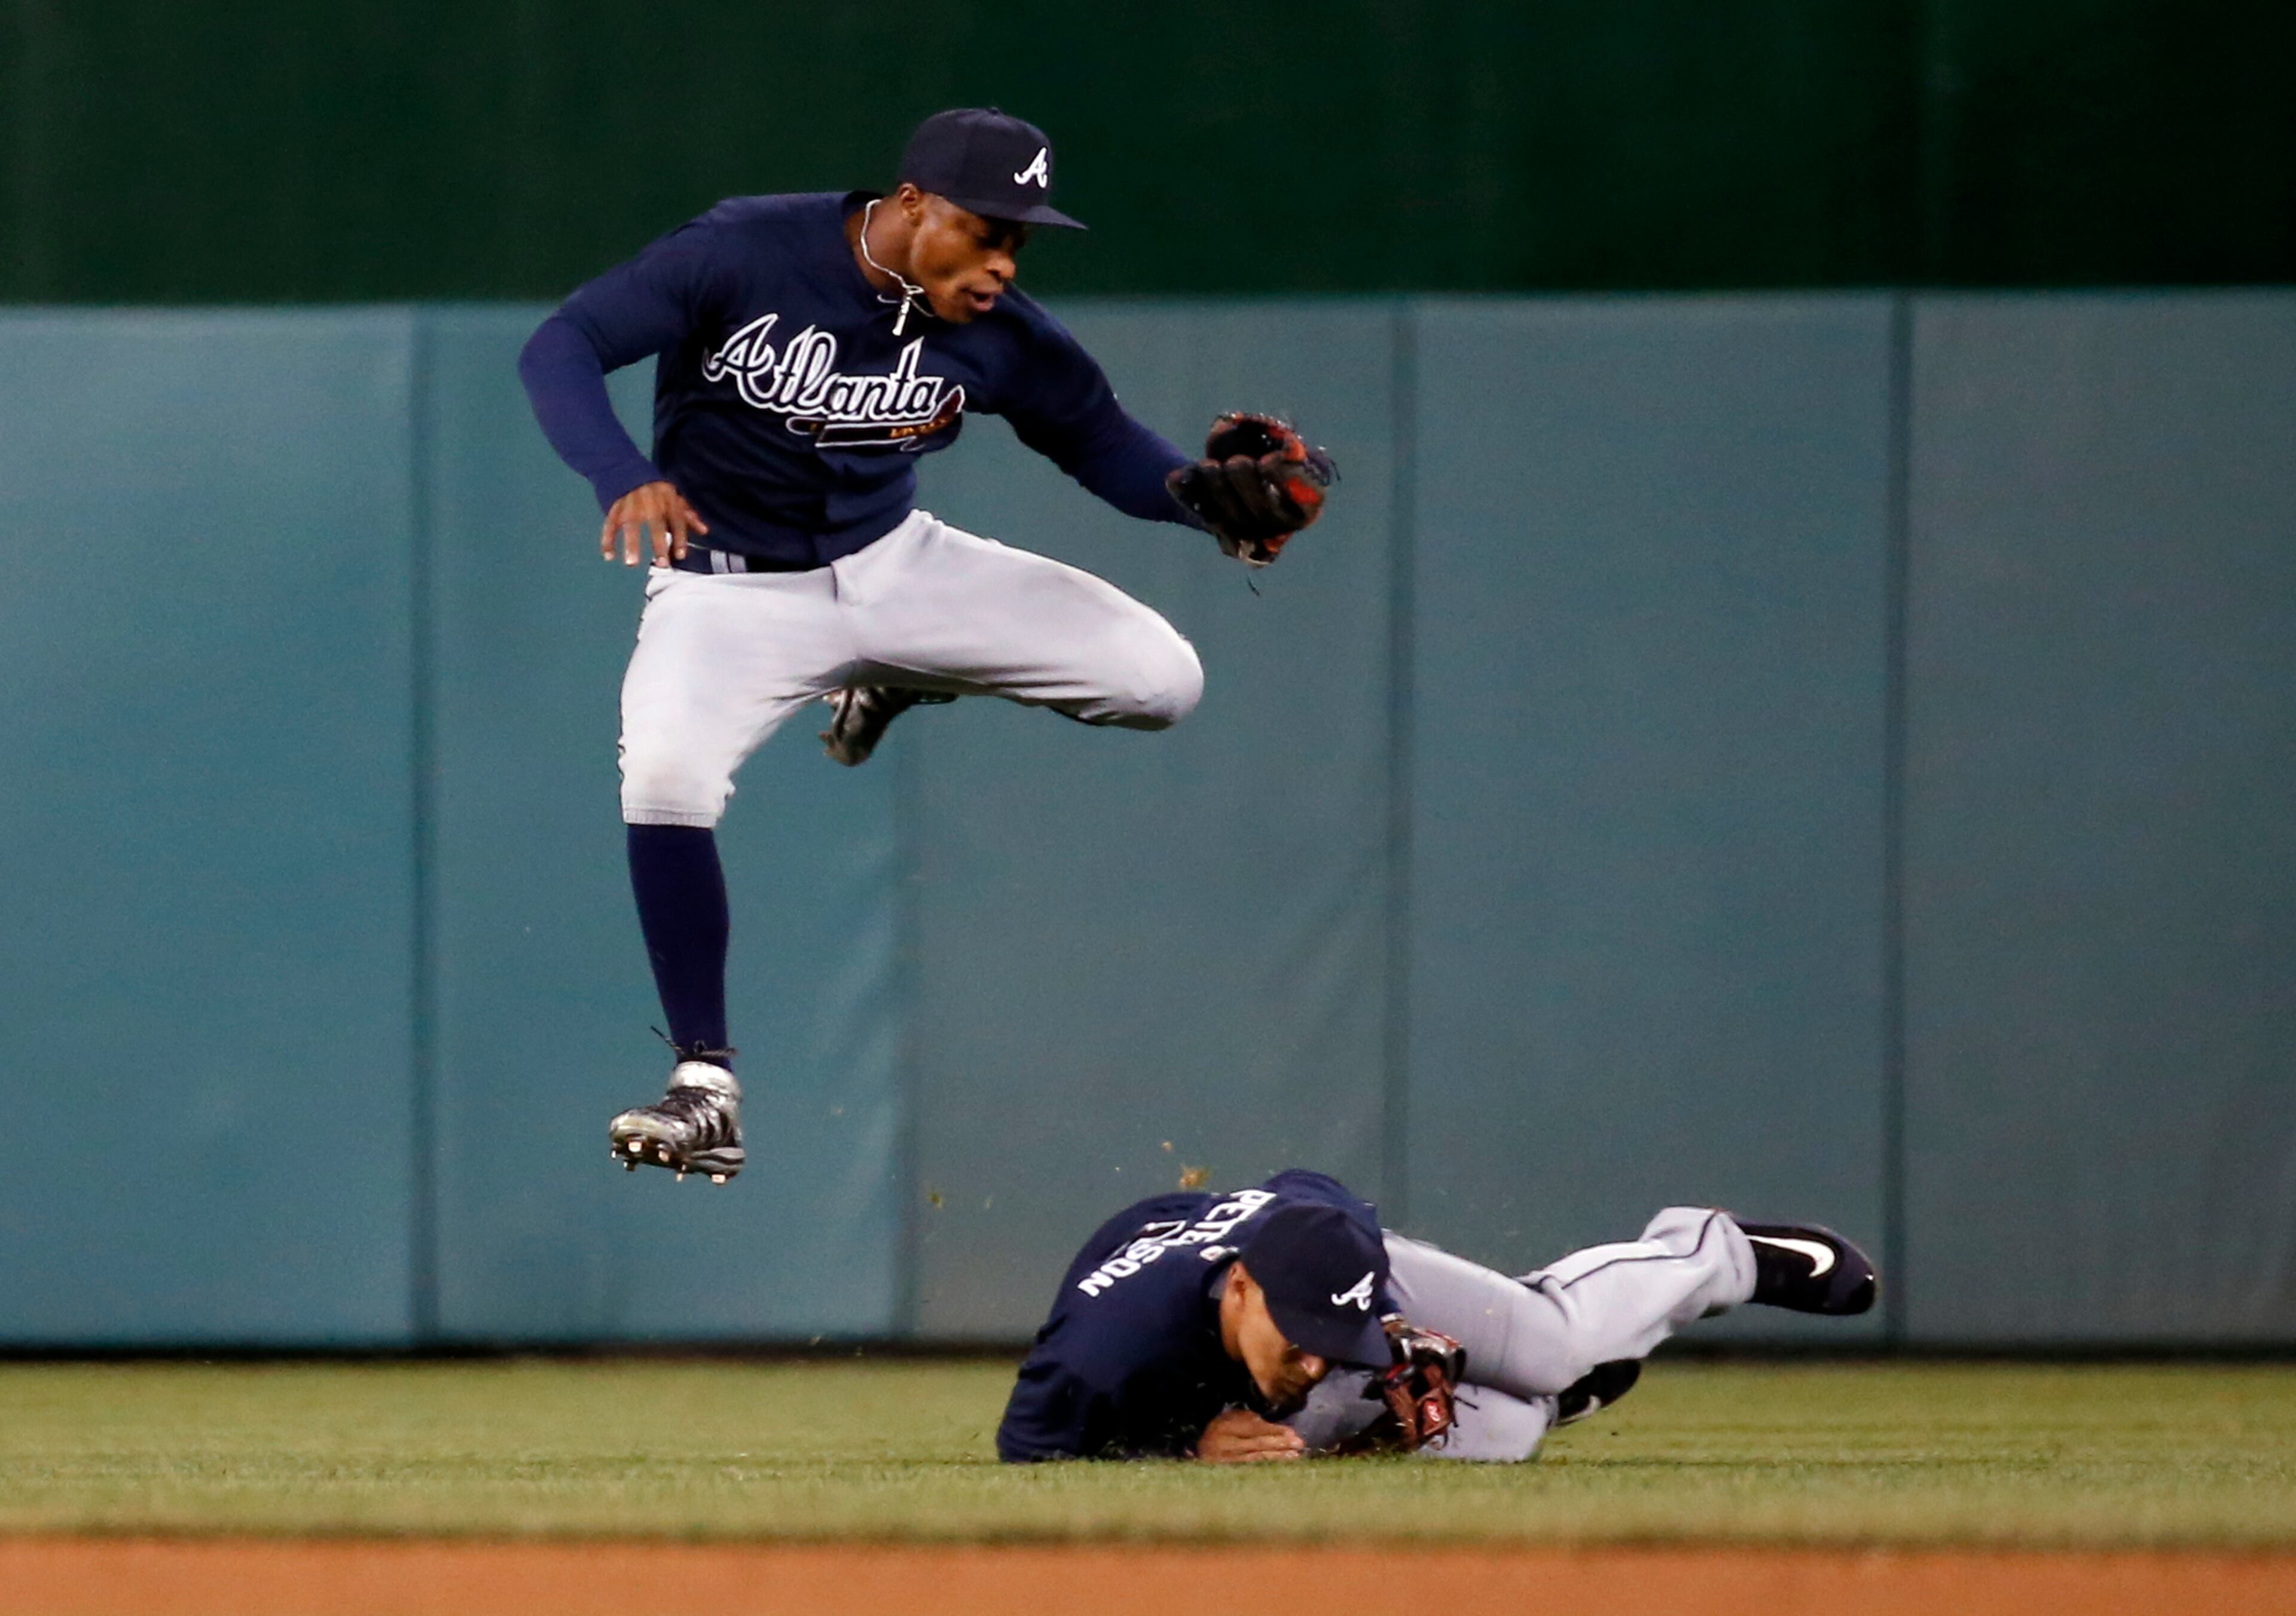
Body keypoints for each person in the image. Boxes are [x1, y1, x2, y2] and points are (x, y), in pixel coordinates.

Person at [517, 109, 1328, 1183]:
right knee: (665, 777)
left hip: (900, 566)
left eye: (1018, 242)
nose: (1000, 263)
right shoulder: (745, 251)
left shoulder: (1003, 332)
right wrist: (622, 473)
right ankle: (705, 1086)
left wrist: (1206, 499)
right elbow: (561, 344)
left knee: (1164, 679)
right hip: (731, 595)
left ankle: (895, 671)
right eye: (983, 232)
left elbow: (1102, 444)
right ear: (909, 205)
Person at [995, 1169, 1877, 1463]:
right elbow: (1026, 1448)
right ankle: (1553, 1397)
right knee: (1511, 1434)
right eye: (1306, 1345)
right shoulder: (1106, 1355)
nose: (1318, 1362)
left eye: (1330, 1346)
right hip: (1198, 1365)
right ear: (1240, 1290)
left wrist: (1378, 1335)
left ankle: (1724, 1252)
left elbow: (1324, 1201)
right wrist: (1186, 1448)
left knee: (1554, 1345)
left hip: (1322, 1258)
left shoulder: (1309, 1246)